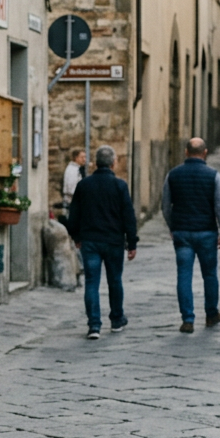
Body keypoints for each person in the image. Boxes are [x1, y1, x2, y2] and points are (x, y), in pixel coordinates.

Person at [66, 145, 138, 339]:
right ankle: (116, 319)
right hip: (113, 241)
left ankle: (94, 325)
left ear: (96, 163)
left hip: (90, 241)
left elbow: (74, 216)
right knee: (115, 280)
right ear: (113, 163)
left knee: (92, 283)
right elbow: (128, 217)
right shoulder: (120, 186)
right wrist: (132, 243)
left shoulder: (84, 185)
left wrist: (77, 237)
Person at [162, 138, 220, 333]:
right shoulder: (213, 176)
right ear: (205, 152)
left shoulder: (172, 175)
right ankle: (211, 314)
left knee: (184, 275)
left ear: (186, 152)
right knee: (209, 275)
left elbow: (165, 205)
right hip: (207, 232)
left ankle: (188, 319)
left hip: (182, 233)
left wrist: (172, 226)